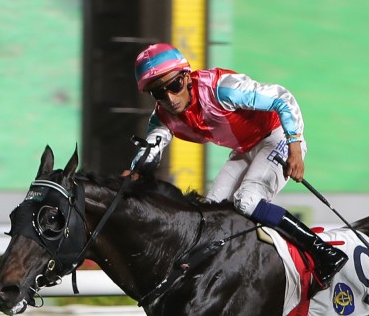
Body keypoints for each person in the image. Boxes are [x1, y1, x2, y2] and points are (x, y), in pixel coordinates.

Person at [130, 43, 347, 290]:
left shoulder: (221, 89)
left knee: (247, 200)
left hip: (276, 136)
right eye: (159, 93)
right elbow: (150, 148)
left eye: (174, 86)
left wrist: (294, 147)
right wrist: (136, 171)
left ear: (186, 76)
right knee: (211, 214)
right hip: (246, 147)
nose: (169, 98)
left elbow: (282, 98)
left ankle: (324, 252)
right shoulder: (162, 117)